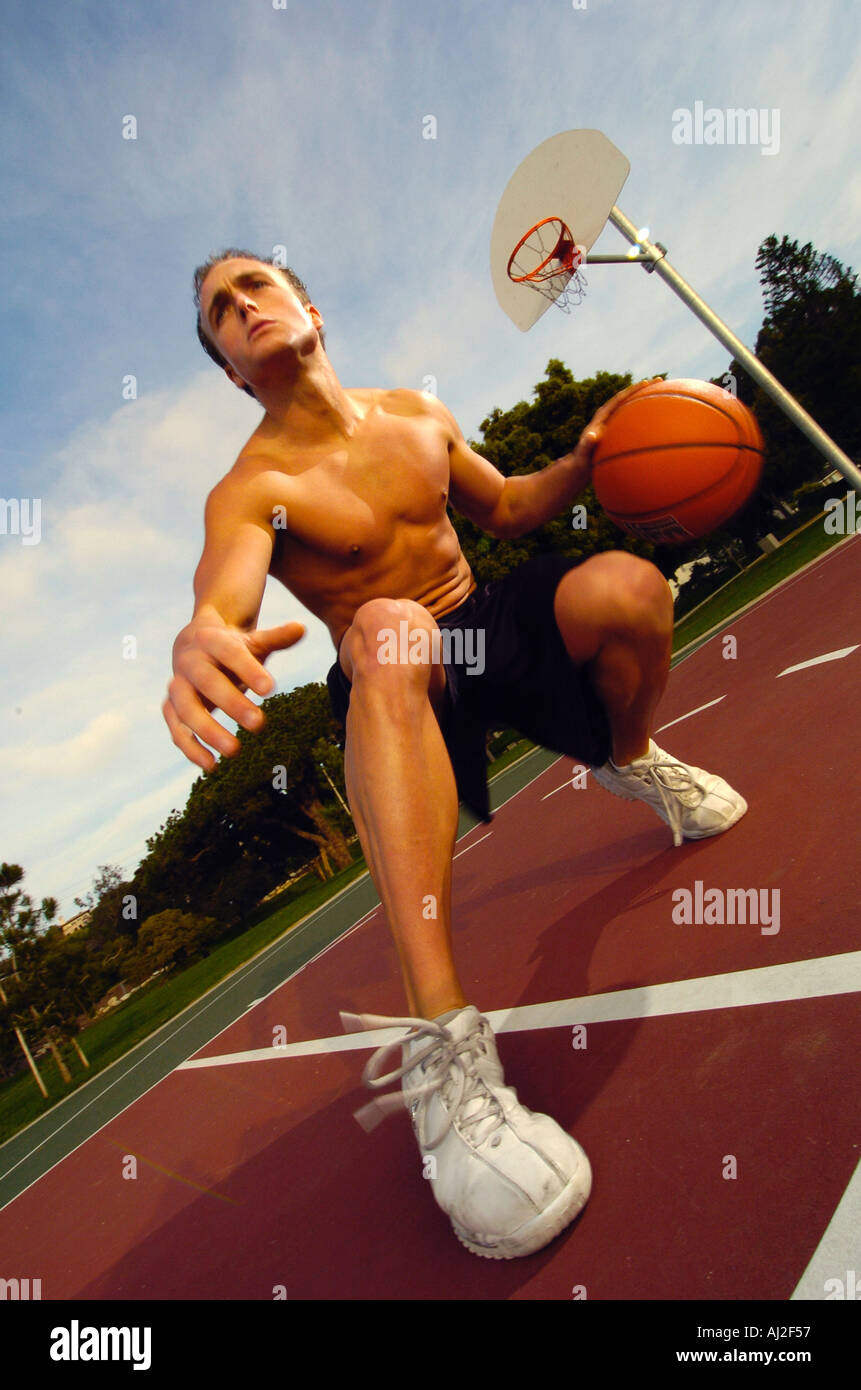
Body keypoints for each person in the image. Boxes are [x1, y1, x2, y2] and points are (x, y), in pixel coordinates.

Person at [164, 249, 747, 1260]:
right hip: (401, 668)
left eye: (258, 284)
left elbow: (512, 510)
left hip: (483, 621)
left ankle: (631, 754)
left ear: (309, 306)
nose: (245, 305)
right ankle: (444, 1045)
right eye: (222, 309)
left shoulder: (416, 415)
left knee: (627, 590)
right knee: (389, 626)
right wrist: (201, 632)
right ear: (227, 368)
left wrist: (582, 459)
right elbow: (226, 592)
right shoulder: (251, 491)